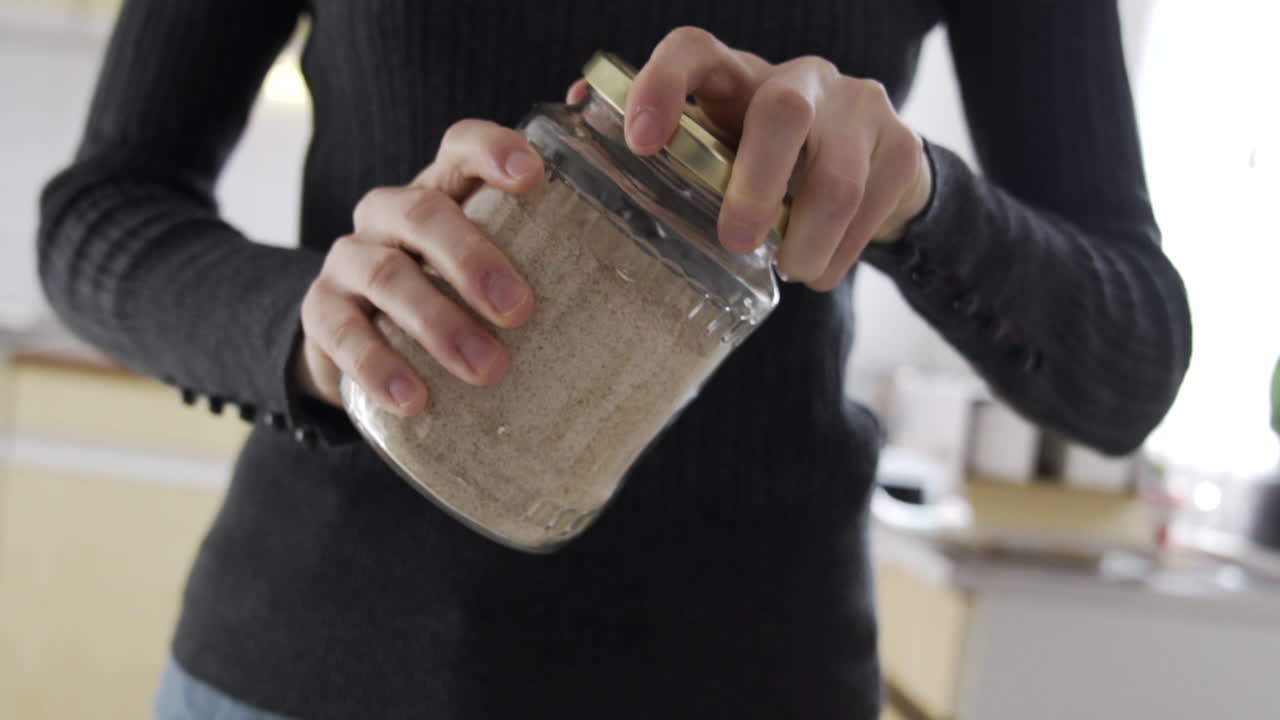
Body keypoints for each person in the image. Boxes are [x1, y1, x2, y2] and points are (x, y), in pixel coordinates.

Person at [38, 1, 1191, 718]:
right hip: (308, 670)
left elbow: (1128, 359)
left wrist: (917, 200)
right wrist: (317, 322)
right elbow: (99, 214)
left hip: (748, 674)